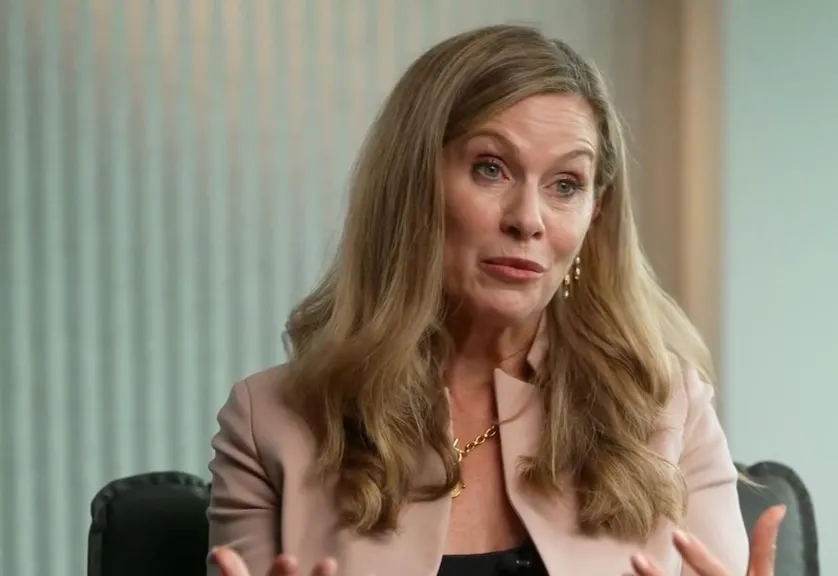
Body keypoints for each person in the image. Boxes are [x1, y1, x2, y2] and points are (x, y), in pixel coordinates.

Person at [206, 24, 784, 576]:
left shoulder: (667, 407)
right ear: (412, 188)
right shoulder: (270, 423)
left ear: (595, 213)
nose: (528, 219)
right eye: (491, 169)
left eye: (566, 186)